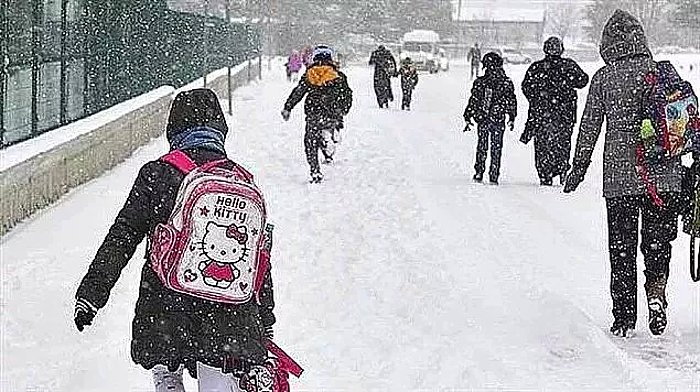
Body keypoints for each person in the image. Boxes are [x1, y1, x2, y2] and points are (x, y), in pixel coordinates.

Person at [73, 89, 277, 391]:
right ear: (220, 130)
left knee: (166, 365)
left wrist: (92, 294)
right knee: (220, 379)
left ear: (174, 130)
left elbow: (123, 235)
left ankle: (168, 378)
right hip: (229, 317)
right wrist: (265, 317)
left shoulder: (157, 174)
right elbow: (257, 257)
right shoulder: (241, 180)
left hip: (166, 308)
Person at [564, 10, 685, 337]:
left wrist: (579, 167)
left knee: (622, 248)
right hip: (665, 177)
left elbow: (589, 126)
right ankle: (657, 290)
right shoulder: (661, 73)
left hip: (620, 180)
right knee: (658, 244)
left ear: (608, 43)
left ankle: (624, 318)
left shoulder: (604, 78)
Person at [521, 36, 589, 186]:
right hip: (565, 114)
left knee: (542, 145)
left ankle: (545, 173)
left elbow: (526, 87)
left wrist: (537, 99)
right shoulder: (568, 66)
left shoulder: (536, 67)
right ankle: (562, 168)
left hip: (542, 114)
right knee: (563, 143)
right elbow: (583, 80)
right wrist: (567, 82)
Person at [281, 45, 353, 183]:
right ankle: (330, 141)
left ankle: (315, 171)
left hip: (313, 114)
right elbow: (347, 95)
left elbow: (298, 92)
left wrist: (288, 107)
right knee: (328, 130)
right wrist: (343, 110)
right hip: (332, 114)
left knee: (310, 142)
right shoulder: (339, 76)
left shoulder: (309, 75)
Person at [463, 52, 517, 185]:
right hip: (498, 118)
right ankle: (494, 174)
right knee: (496, 147)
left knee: (482, 145)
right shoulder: (506, 82)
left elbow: (474, 100)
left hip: (483, 117)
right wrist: (511, 116)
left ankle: (479, 171)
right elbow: (511, 101)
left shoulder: (481, 82)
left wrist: (468, 115)